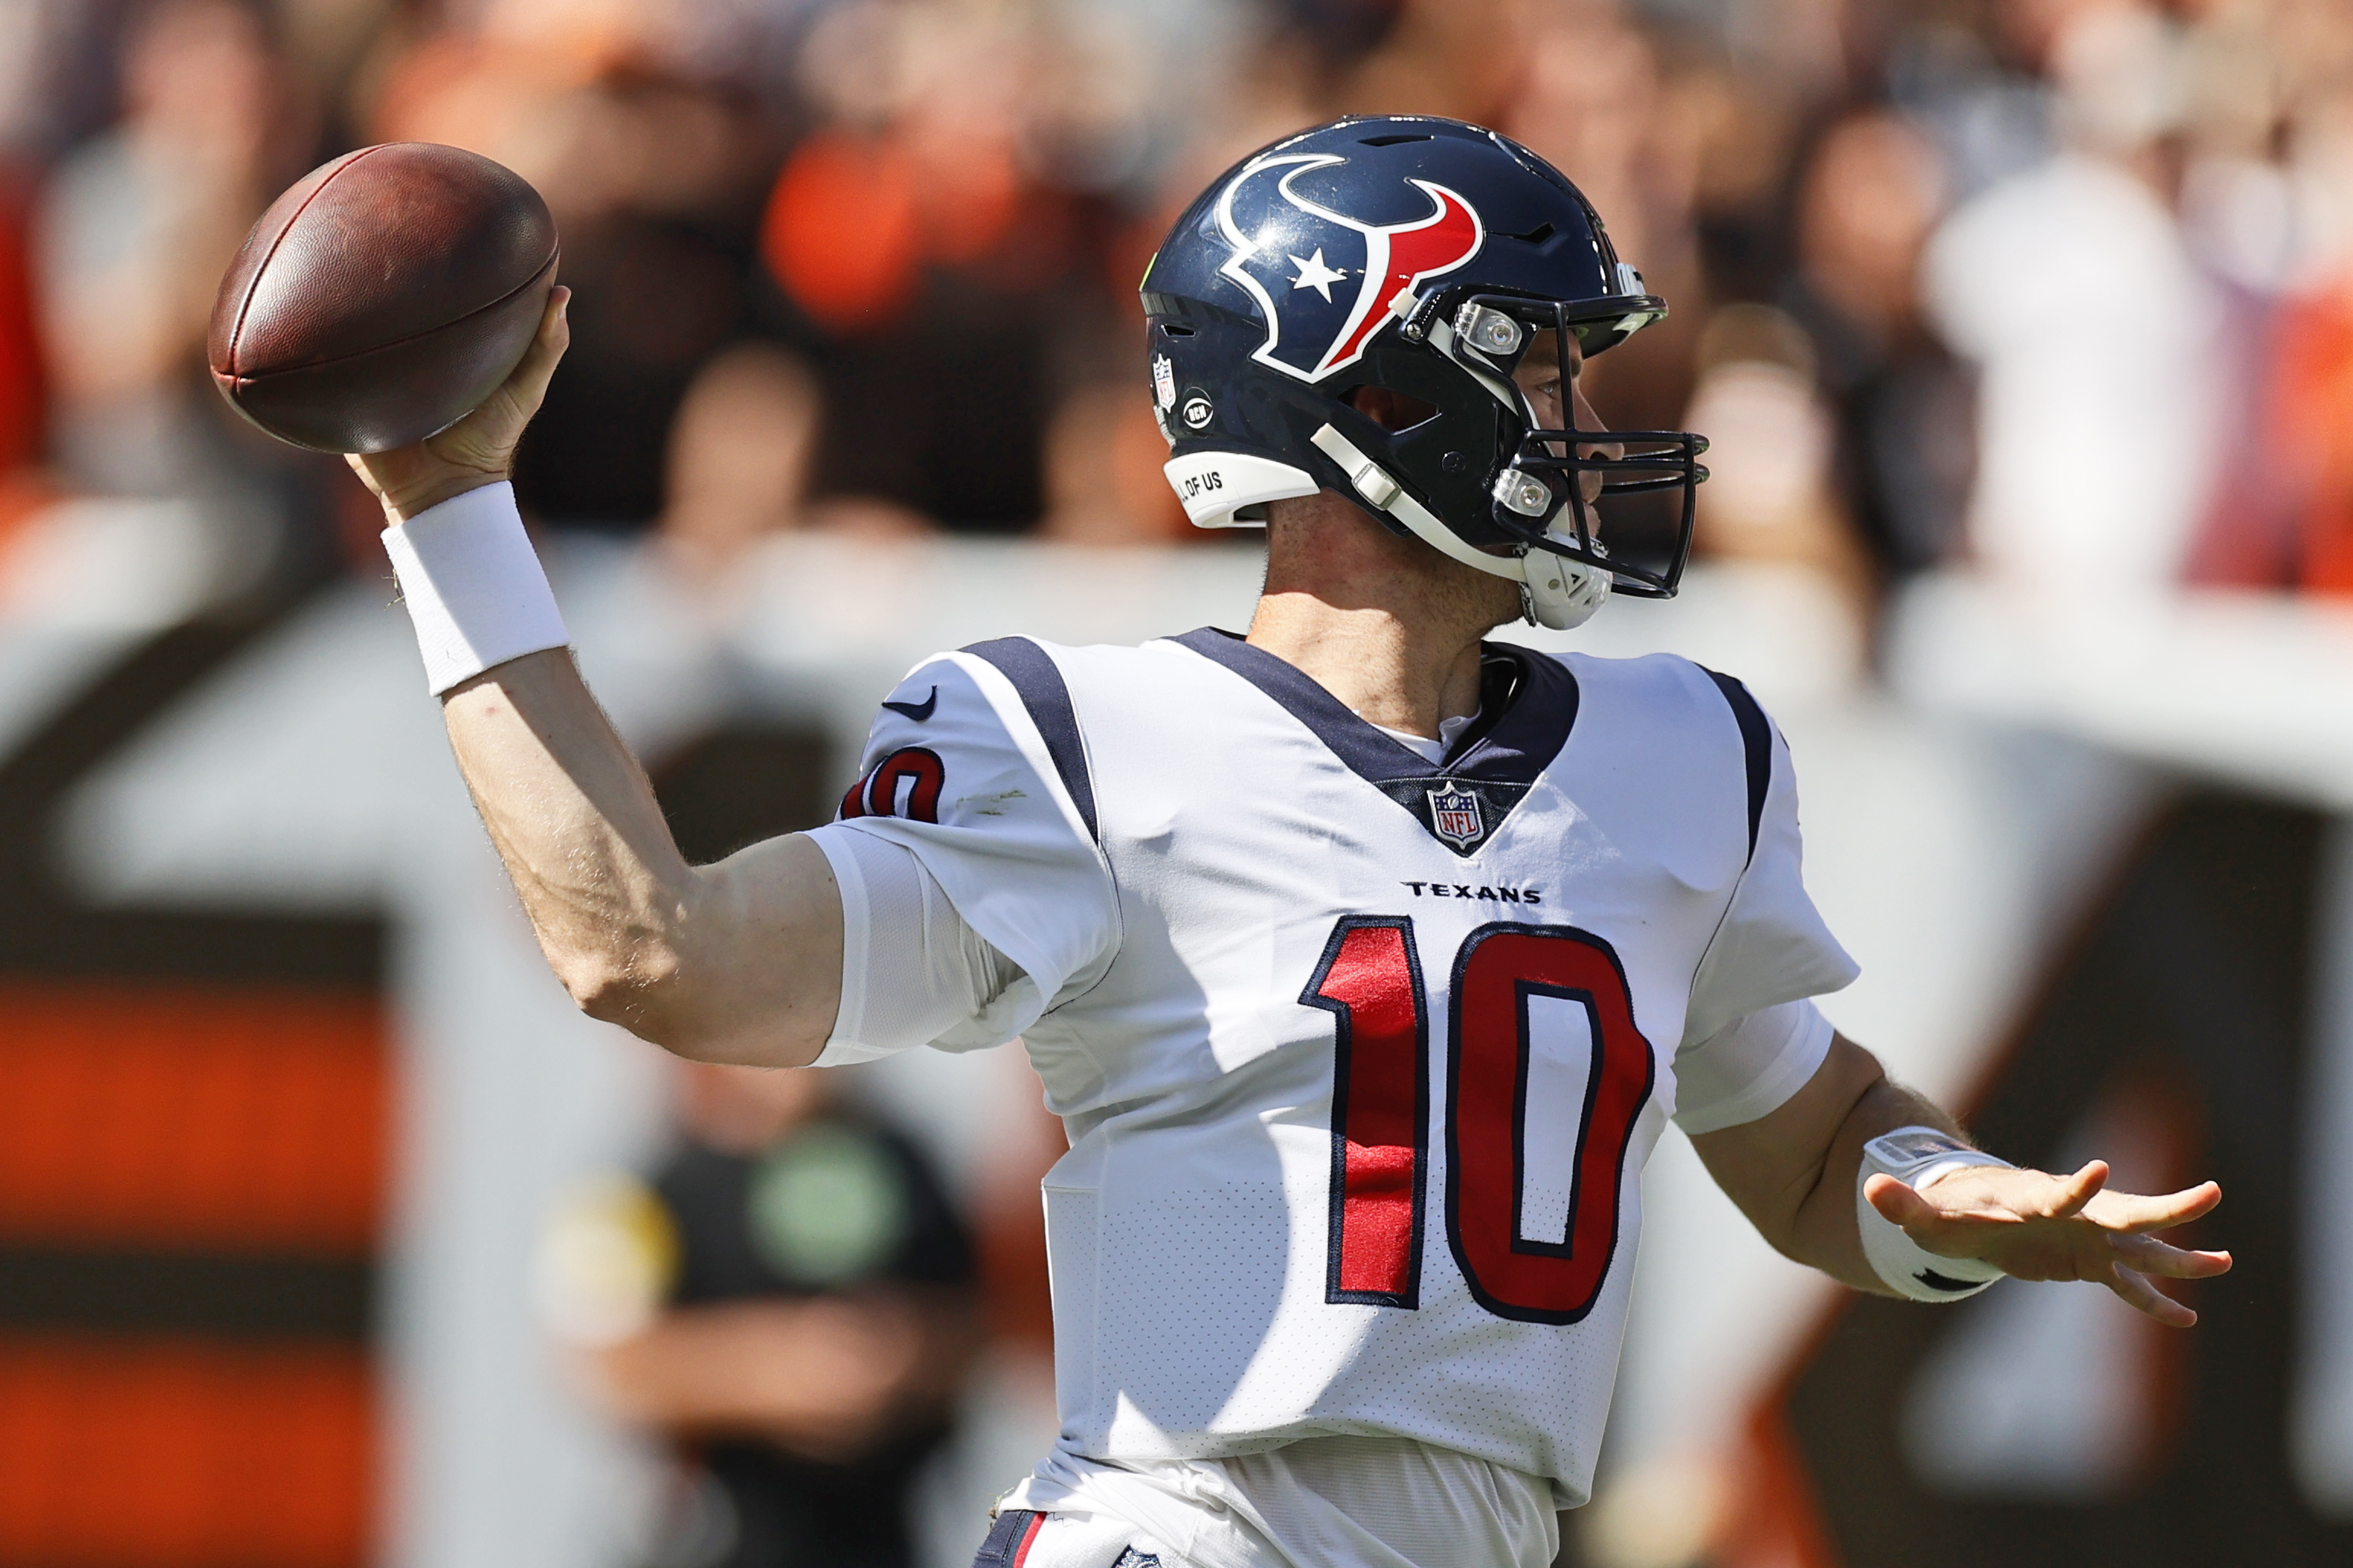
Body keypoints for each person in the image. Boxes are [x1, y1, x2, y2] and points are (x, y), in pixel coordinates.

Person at [349, 117, 2230, 1568]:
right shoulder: (1079, 739)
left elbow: (1807, 1141)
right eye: (1542, 366)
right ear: (1379, 386)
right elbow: (657, 954)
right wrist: (450, 512)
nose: (1593, 420)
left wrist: (1934, 1195)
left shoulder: (1681, 753)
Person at [547, 1062, 978, 1568]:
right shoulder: (656, 1188)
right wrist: (774, 1375)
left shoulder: (903, 1164)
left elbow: (985, 1325)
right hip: (721, 1539)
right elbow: (605, 1366)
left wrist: (900, 1354)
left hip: (881, 1540)